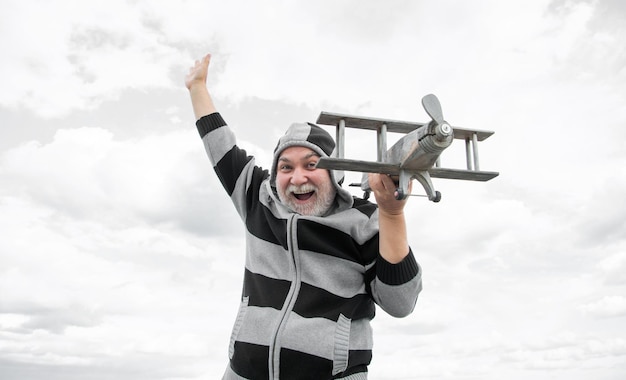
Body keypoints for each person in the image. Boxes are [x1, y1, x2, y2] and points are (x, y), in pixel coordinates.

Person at [185, 54, 422, 380]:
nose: (297, 178)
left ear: (334, 174)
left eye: (312, 165)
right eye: (286, 167)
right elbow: (220, 145)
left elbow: (400, 303)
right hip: (244, 372)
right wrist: (197, 87)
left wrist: (392, 214)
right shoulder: (259, 200)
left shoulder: (363, 223)